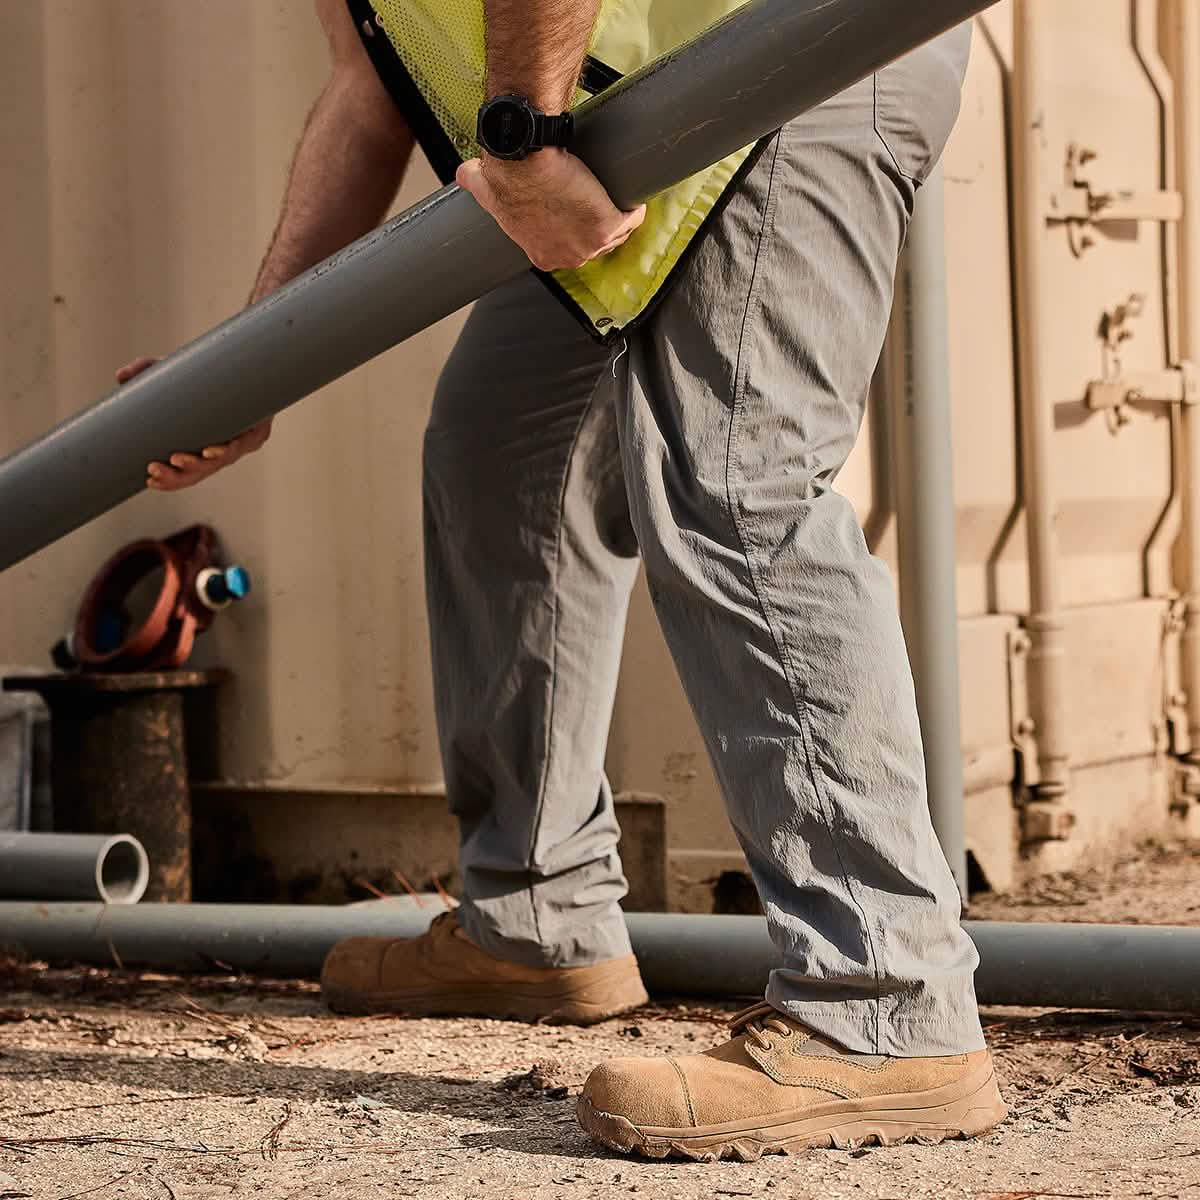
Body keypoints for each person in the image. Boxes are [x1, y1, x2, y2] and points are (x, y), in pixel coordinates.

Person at [120, 0, 1006, 1161]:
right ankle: (536, 918)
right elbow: (368, 83)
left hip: (777, 52)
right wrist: (255, 358)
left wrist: (524, 139)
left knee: (737, 480)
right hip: (603, 121)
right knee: (500, 455)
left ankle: (888, 1004)